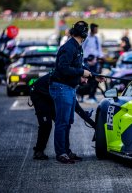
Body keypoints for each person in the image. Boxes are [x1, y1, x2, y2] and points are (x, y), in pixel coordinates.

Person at [49, 20, 93, 164]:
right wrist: (82, 72)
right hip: (62, 88)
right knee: (62, 122)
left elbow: (79, 65)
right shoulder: (69, 47)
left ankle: (66, 151)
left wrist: (93, 75)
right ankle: (61, 153)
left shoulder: (77, 46)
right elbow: (63, 68)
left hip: (69, 88)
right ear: (84, 33)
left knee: (67, 122)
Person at [30, 73, 95, 160]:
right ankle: (38, 151)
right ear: (78, 75)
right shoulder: (66, 79)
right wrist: (93, 124)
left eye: (87, 79)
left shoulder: (72, 82)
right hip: (40, 94)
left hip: (52, 96)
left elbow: (75, 105)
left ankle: (66, 151)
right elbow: (76, 106)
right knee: (46, 124)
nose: (86, 81)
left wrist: (93, 124)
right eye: (84, 78)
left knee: (64, 122)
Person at [82, 23, 104, 103]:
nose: (97, 30)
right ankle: (82, 94)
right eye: (96, 28)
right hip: (87, 61)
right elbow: (82, 48)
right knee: (86, 79)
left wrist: (100, 57)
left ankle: (92, 95)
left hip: (95, 61)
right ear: (92, 29)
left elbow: (99, 49)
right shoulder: (86, 38)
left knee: (95, 79)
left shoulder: (96, 38)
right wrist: (85, 59)